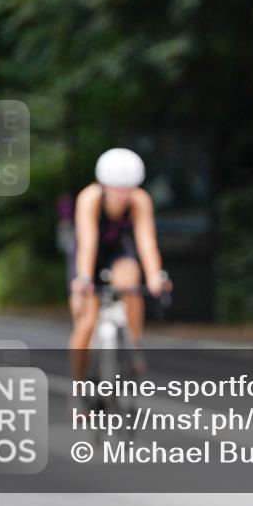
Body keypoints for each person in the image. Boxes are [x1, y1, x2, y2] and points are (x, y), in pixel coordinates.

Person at [68, 148, 171, 383]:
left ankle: (134, 347)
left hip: (118, 251)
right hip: (88, 255)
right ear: (103, 184)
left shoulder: (140, 200)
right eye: (116, 188)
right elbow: (88, 241)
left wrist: (155, 276)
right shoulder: (89, 198)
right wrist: (84, 278)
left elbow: (146, 241)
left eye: (127, 189)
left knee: (131, 284)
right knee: (86, 323)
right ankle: (77, 388)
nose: (122, 195)